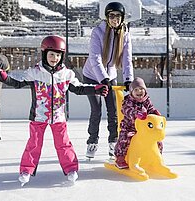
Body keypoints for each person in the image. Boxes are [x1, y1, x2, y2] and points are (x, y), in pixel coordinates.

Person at [0, 35, 109, 185]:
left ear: (62, 56)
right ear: (44, 54)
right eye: (51, 54)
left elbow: (79, 88)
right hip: (38, 116)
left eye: (58, 55)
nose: (54, 58)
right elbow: (17, 82)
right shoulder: (35, 72)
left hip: (58, 116)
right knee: (34, 144)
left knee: (63, 144)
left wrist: (96, 89)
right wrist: (4, 77)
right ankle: (26, 170)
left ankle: (71, 168)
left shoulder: (67, 74)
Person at [82, 1, 134, 159]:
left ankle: (113, 142)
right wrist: (102, 79)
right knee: (96, 110)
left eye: (118, 16)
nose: (115, 19)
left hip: (110, 76)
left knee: (113, 111)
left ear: (122, 18)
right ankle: (92, 142)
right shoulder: (98, 32)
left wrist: (128, 79)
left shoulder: (125, 35)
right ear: (107, 17)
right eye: (111, 16)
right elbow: (95, 58)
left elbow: (127, 60)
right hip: (92, 76)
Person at [114, 77, 163, 169]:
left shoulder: (147, 100)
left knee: (157, 139)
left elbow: (150, 109)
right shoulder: (128, 101)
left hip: (144, 128)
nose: (139, 91)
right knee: (124, 138)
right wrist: (136, 114)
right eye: (136, 89)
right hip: (129, 126)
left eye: (141, 89)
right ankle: (120, 158)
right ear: (131, 92)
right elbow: (127, 110)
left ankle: (157, 157)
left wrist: (154, 112)